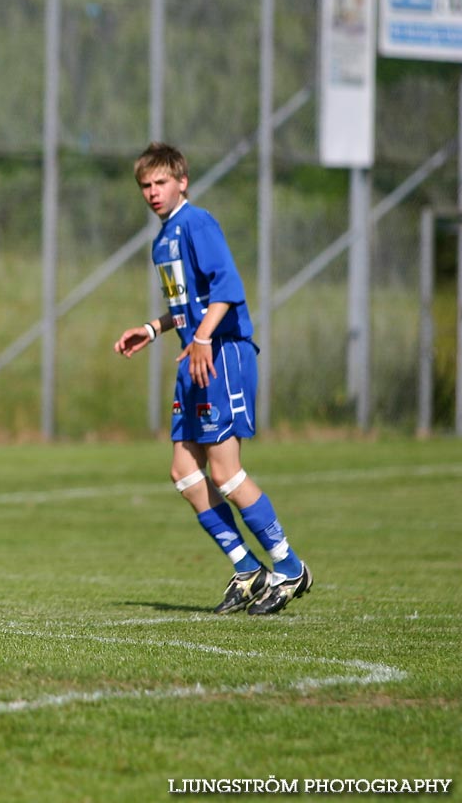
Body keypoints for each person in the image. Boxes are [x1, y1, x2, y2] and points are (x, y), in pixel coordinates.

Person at [114, 142, 312, 616]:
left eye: (161, 182)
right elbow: (191, 302)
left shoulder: (197, 222)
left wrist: (202, 339)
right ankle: (247, 567)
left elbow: (228, 289)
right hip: (195, 354)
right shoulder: (163, 239)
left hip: (220, 354)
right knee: (183, 472)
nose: (153, 192)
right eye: (145, 185)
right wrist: (153, 328)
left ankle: (288, 566)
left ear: (181, 181)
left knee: (224, 472)